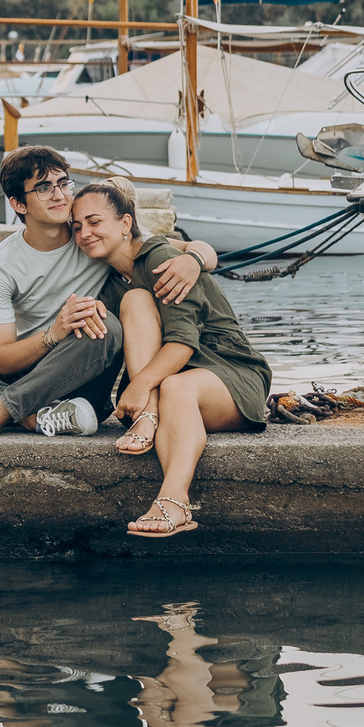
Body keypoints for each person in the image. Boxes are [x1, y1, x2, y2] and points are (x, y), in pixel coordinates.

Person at [0, 146, 215, 438]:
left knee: (104, 326)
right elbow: (1, 359)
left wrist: (193, 259)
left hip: (81, 376)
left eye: (64, 183)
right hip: (25, 374)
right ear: (18, 203)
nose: (60, 195)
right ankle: (25, 414)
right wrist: (54, 332)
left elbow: (195, 249)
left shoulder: (91, 234)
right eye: (44, 188)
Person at [70, 177, 272, 539]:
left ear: (125, 223)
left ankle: (174, 501)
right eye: (78, 226)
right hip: (173, 380)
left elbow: (183, 343)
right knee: (136, 303)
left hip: (228, 370)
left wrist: (142, 385)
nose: (84, 232)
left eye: (94, 222)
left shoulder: (161, 258)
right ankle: (150, 411)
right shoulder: (113, 284)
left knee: (177, 387)